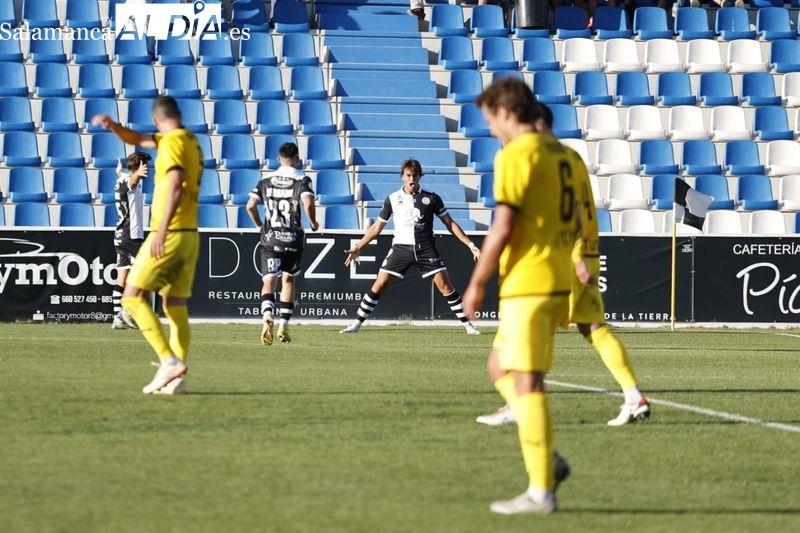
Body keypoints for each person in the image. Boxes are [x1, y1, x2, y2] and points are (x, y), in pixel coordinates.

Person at [476, 103, 652, 428]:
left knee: (528, 336)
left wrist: (573, 256)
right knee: (595, 329)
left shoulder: (543, 159)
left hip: (564, 257)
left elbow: (562, 213)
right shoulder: (573, 158)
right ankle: (633, 395)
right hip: (588, 251)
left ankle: (519, 405)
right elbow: (582, 209)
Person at [462, 77, 580, 515]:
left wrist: (476, 282)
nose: (491, 129)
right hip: (556, 277)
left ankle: (541, 491)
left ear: (506, 112)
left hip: (529, 282)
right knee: (499, 366)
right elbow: (575, 220)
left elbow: (503, 226)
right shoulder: (564, 154)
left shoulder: (515, 154)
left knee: (527, 381)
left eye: (491, 120)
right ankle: (545, 454)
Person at [92, 95, 203, 396]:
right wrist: (114, 126)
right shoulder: (189, 140)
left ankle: (168, 361)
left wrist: (161, 231)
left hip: (169, 233)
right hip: (190, 235)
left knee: (131, 297)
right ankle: (178, 377)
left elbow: (176, 185)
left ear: (156, 120)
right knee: (174, 305)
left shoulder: (172, 143)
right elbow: (138, 138)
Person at [340, 159, 482, 335]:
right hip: (401, 248)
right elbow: (377, 227)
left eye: (415, 175)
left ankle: (469, 326)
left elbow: (449, 223)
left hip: (426, 248)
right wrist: (359, 246)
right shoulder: (393, 199)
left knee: (445, 286)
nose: (412, 179)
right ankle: (356, 324)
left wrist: (470, 244)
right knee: (380, 284)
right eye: (408, 175)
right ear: (402, 176)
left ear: (420, 176)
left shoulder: (432, 198)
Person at [246, 142, 319, 346]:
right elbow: (308, 203)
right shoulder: (302, 179)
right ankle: (284, 326)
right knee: (288, 280)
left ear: (278, 159)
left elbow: (250, 206)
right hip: (293, 238)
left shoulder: (265, 180)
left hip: (271, 238)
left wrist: (260, 226)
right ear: (298, 159)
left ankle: (267, 314)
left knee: (269, 280)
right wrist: (313, 222)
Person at [111, 152, 151, 330]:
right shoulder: (130, 181)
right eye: (146, 166)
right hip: (131, 236)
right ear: (139, 167)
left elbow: (126, 180)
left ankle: (117, 319)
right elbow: (132, 183)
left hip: (120, 235)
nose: (148, 169)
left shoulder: (121, 179)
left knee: (122, 277)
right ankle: (126, 312)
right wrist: (136, 175)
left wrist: (120, 172)